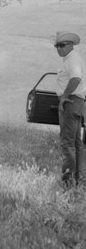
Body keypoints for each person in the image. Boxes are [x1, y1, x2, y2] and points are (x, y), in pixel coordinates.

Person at [53, 31, 86, 187]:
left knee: (67, 143)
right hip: (76, 102)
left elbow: (76, 78)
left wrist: (65, 96)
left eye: (62, 45)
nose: (58, 49)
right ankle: (81, 179)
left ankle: (68, 181)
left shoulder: (72, 59)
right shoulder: (71, 59)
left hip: (71, 102)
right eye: (56, 46)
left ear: (71, 45)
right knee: (77, 143)